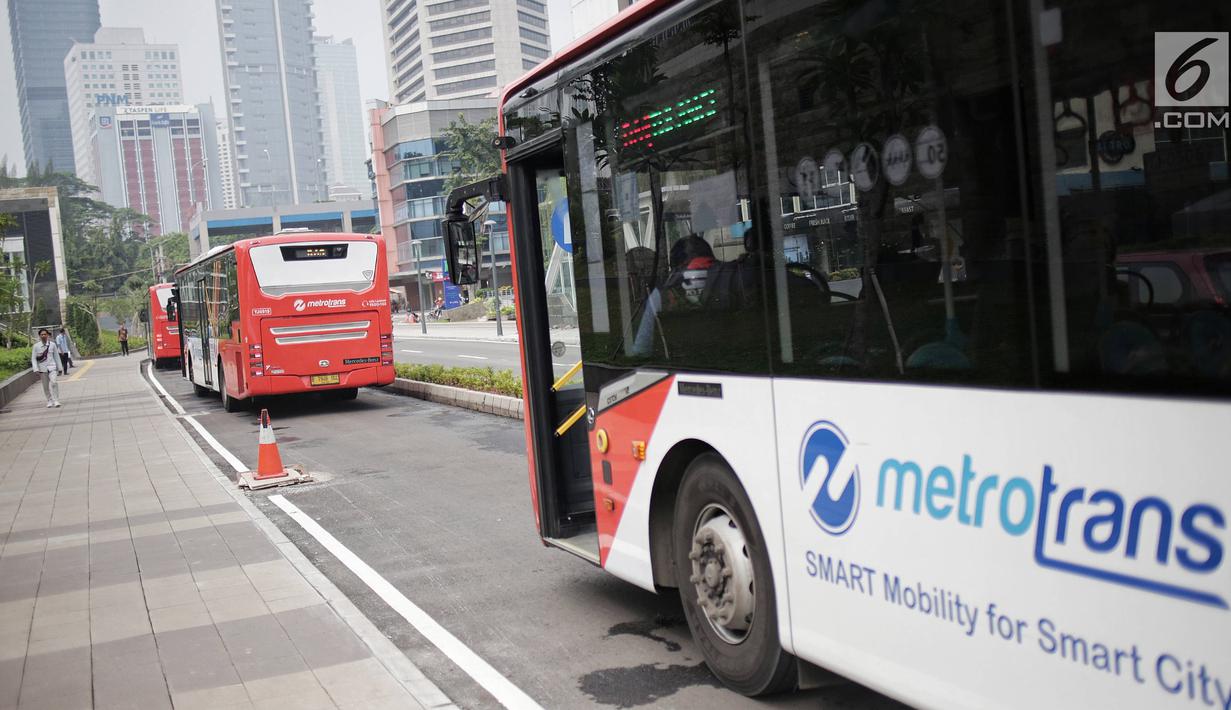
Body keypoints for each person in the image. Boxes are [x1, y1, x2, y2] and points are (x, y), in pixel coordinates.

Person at [631, 235, 716, 356]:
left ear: (674, 271)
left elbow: (641, 351)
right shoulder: (734, 280)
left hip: (676, 363)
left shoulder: (660, 296)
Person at [31, 328, 62, 408]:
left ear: (47, 335)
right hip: (42, 369)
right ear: (39, 336)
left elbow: (57, 357)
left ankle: (56, 400)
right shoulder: (36, 346)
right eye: (42, 334)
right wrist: (35, 369)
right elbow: (33, 358)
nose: (43, 336)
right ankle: (49, 400)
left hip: (52, 367)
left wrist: (60, 368)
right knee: (45, 386)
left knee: (54, 382)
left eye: (45, 334)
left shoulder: (53, 345)